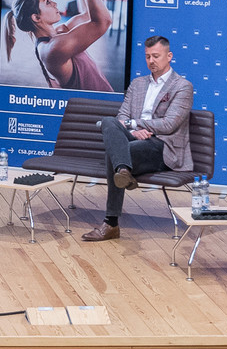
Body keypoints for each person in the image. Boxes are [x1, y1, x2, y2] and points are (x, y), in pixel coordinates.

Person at [82, 36, 194, 242]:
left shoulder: (182, 86)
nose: (151, 61)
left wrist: (137, 125)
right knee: (108, 121)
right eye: (148, 56)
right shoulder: (137, 84)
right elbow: (121, 117)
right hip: (134, 139)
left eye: (156, 56)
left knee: (115, 154)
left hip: (162, 146)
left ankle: (111, 223)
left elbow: (169, 124)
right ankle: (123, 171)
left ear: (169, 56)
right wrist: (134, 132)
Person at [1, 0, 114, 91]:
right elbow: (104, 21)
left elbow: (87, 15)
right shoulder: (53, 48)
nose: (54, 3)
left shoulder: (60, 32)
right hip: (94, 103)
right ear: (36, 17)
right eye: (47, 2)